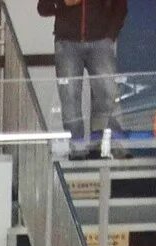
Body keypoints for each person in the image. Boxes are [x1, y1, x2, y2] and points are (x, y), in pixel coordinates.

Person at [37, 0, 126, 150]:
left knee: (107, 95)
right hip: (67, 44)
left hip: (101, 42)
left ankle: (103, 146)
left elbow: (121, 6)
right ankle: (76, 149)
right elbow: (43, 7)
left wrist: (110, 35)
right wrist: (63, 3)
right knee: (69, 97)